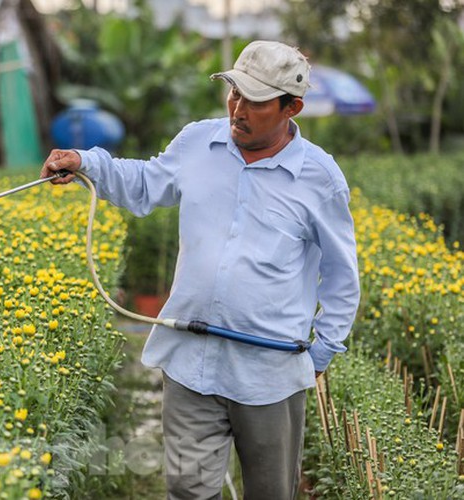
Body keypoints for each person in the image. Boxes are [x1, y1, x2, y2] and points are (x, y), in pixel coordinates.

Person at [41, 40, 360, 500]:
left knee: (271, 492)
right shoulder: (198, 142)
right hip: (190, 362)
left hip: (269, 372)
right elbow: (146, 183)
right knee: (188, 489)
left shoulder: (319, 178)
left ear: (292, 107)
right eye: (234, 93)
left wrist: (322, 352)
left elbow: (342, 273)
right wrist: (87, 162)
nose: (238, 109)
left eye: (255, 101)